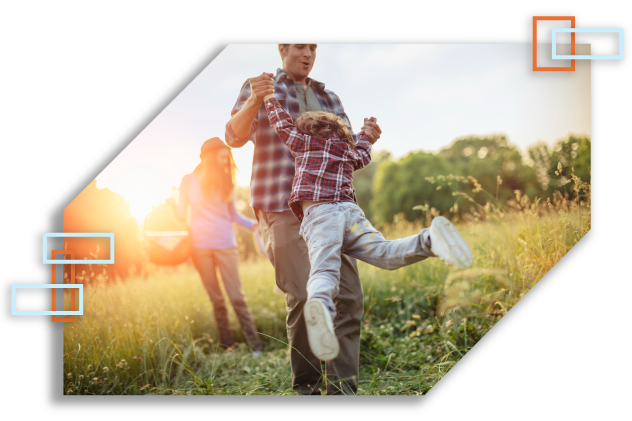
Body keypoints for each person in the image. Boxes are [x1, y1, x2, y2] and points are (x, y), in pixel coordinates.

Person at [262, 93, 473, 361]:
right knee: (384, 253)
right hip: (351, 214)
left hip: (321, 215)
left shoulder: (303, 142)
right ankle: (429, 240)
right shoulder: (347, 151)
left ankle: (321, 307)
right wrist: (366, 134)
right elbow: (363, 152)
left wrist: (270, 98)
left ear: (306, 130)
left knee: (325, 268)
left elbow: (282, 124)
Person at [225, 43, 382, 396]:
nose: (308, 53)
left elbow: (346, 151)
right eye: (300, 46)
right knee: (303, 296)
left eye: (313, 47)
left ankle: (343, 390)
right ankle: (307, 388)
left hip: (329, 208)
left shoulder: (330, 97)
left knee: (348, 297)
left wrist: (366, 137)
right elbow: (233, 137)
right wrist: (254, 99)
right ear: (283, 49)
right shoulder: (261, 85)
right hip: (279, 205)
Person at [172, 137, 264, 355]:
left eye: (227, 158)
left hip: (226, 245)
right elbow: (181, 214)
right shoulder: (188, 181)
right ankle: (228, 347)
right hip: (199, 248)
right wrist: (173, 211)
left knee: (236, 298)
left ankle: (256, 347)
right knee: (217, 301)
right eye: (222, 157)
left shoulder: (226, 182)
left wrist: (256, 225)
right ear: (209, 157)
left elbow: (233, 215)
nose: (225, 162)